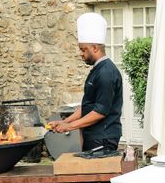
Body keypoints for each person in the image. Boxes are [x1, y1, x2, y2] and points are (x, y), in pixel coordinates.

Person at [49, 12, 123, 152]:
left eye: (83, 49)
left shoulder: (106, 73)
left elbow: (99, 112)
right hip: (94, 136)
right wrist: (64, 122)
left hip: (103, 137)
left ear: (95, 48)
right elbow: (87, 106)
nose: (81, 54)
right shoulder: (98, 70)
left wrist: (70, 127)